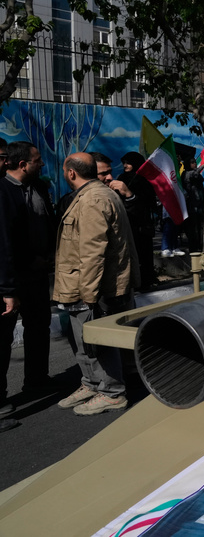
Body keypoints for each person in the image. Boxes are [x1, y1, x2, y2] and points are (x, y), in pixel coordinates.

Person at [53, 152, 139, 416]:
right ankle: (92, 383)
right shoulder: (95, 194)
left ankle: (112, 392)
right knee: (84, 341)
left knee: (96, 340)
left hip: (92, 286)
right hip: (85, 284)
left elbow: (92, 252)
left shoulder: (92, 199)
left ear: (71, 173)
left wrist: (88, 294)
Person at [1, 142, 56, 403]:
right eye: (37, 160)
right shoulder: (2, 191)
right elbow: (5, 242)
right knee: (4, 339)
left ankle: (36, 380)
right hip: (12, 278)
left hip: (37, 275)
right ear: (23, 164)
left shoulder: (41, 187)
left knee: (39, 328)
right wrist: (10, 285)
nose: (42, 164)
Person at [118, 151, 158, 288]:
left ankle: (146, 280)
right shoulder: (121, 178)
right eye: (124, 162)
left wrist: (131, 195)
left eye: (128, 162)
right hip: (127, 223)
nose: (125, 165)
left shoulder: (144, 180)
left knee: (144, 254)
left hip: (142, 225)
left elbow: (149, 201)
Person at [182, 156, 204, 252]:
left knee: (200, 225)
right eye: (192, 162)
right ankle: (194, 246)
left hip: (199, 201)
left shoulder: (195, 174)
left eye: (195, 162)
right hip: (191, 203)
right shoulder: (187, 173)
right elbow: (194, 174)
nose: (194, 164)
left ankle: (199, 244)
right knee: (193, 226)